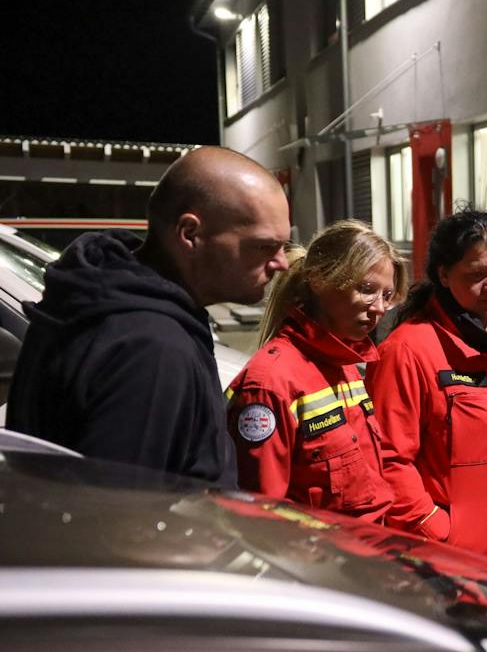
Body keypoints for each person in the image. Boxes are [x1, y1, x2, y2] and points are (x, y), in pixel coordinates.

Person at [9, 146, 290, 483]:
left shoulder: (97, 301)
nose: (281, 264)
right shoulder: (152, 350)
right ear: (190, 234)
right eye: (264, 246)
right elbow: (122, 521)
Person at [368, 208, 487, 564]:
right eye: (477, 275)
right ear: (444, 274)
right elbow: (387, 459)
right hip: (446, 566)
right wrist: (437, 530)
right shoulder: (408, 350)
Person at [225, 221, 405, 520]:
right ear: (319, 279)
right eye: (367, 289)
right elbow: (262, 518)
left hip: (365, 555)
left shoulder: (344, 365)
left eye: (387, 296)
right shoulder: (270, 384)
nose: (380, 308)